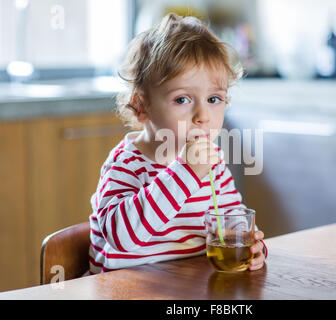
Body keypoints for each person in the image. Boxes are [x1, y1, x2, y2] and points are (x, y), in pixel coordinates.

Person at [88, 13, 267, 275]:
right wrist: (185, 172)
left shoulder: (213, 164)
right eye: (182, 100)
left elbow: (234, 224)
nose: (203, 116)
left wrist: (253, 248)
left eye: (214, 99)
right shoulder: (126, 164)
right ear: (141, 106)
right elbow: (122, 238)